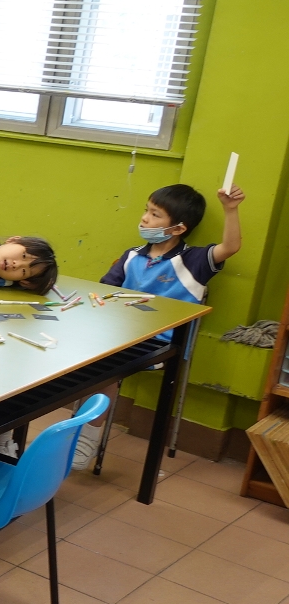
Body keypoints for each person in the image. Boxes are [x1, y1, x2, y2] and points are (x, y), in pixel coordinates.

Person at [72, 182, 246, 469]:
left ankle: (86, 436)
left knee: (104, 367)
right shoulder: (131, 256)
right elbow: (104, 293)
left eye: (155, 214)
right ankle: (69, 428)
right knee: (74, 352)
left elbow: (231, 247)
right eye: (146, 210)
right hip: (120, 335)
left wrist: (230, 209)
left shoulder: (193, 260)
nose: (144, 218)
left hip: (162, 343)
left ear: (178, 228)